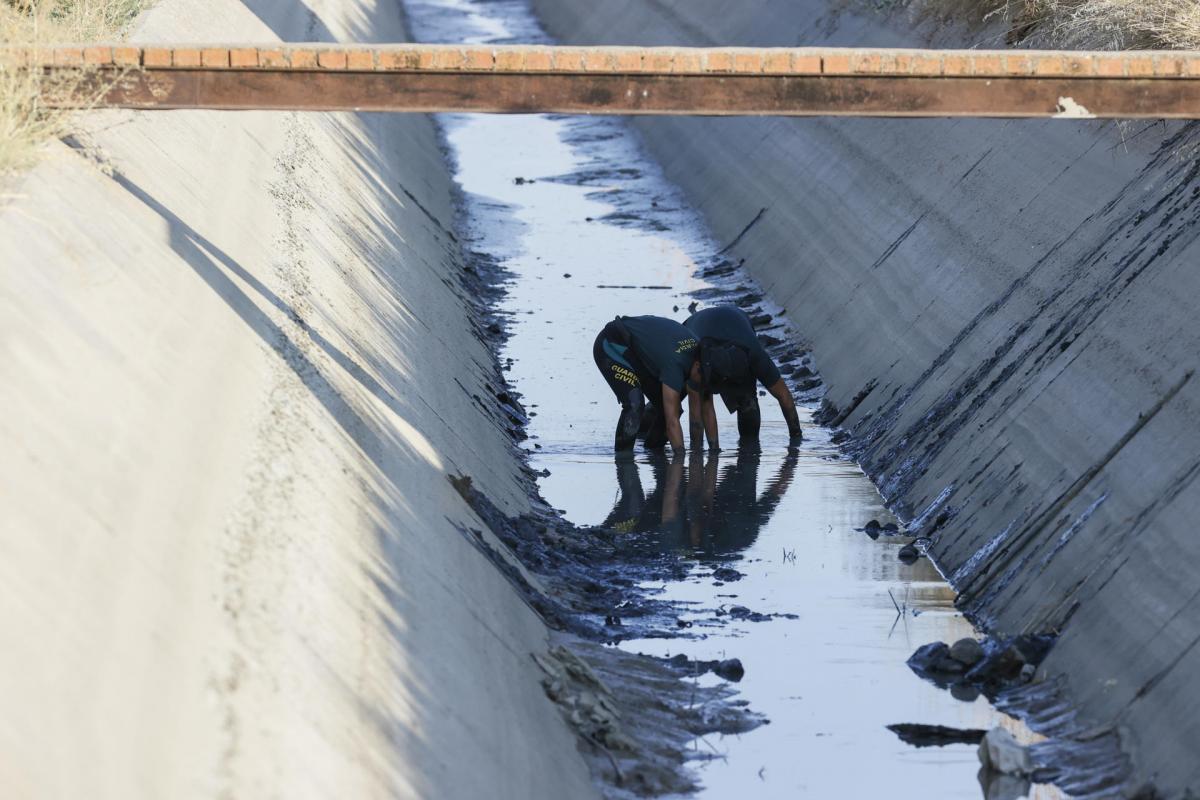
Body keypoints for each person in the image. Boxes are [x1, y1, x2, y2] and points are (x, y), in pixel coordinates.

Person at [684, 305, 802, 448]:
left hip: (736, 318)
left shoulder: (754, 354)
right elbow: (697, 418)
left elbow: (784, 395)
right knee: (672, 399)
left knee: (747, 402)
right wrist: (700, 452)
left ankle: (750, 448)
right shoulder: (697, 358)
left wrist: (796, 436)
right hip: (692, 332)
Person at [592, 315, 700, 453]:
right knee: (634, 405)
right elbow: (672, 422)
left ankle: (653, 453)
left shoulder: (701, 353)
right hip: (612, 344)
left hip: (639, 354)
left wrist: (701, 452)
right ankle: (623, 460)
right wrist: (680, 456)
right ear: (697, 365)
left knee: (670, 409)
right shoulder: (675, 364)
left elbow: (680, 414)